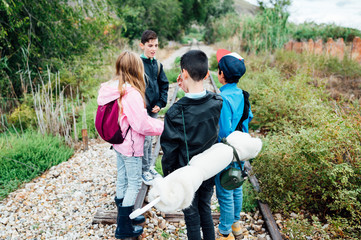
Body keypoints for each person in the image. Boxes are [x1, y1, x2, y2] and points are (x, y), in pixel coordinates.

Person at [97, 51, 164, 239]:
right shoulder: (131, 93)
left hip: (118, 141)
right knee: (134, 182)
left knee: (122, 179)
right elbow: (141, 124)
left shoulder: (111, 88)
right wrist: (163, 127)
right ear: (136, 69)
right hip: (131, 145)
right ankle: (124, 227)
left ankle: (123, 217)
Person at [161, 50, 223, 240]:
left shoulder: (175, 113)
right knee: (205, 208)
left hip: (187, 174)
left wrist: (169, 178)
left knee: (191, 215)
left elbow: (170, 151)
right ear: (206, 75)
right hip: (209, 171)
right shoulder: (216, 101)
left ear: (183, 74)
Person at [214, 49, 253, 240]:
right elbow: (248, 118)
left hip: (227, 152)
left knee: (224, 191)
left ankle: (225, 231)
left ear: (221, 74)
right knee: (237, 185)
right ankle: (236, 224)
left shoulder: (222, 99)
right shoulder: (243, 95)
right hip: (242, 149)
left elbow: (223, 132)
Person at [139, 29, 169, 185]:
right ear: (142, 45)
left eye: (156, 45)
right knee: (143, 140)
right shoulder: (137, 64)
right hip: (141, 110)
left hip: (153, 109)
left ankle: (148, 166)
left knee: (149, 140)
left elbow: (164, 85)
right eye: (150, 45)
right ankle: (143, 169)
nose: (153, 49)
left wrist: (160, 103)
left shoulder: (157, 64)